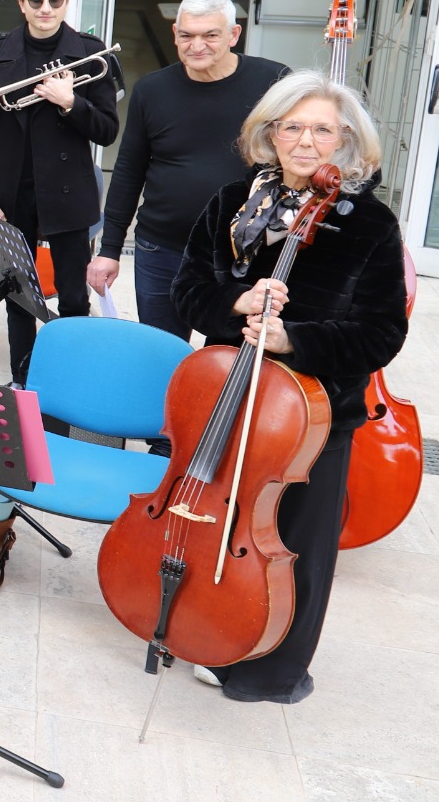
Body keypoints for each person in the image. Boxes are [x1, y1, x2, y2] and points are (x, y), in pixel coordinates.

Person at [172, 72, 406, 704]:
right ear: (269, 133)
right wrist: (236, 302)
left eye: (322, 129)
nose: (305, 141)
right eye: (292, 127)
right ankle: (200, 627)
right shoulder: (232, 203)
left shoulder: (370, 223)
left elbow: (381, 334)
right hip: (226, 397)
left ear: (345, 140)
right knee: (216, 524)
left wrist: (291, 339)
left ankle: (271, 667)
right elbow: (187, 291)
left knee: (292, 544)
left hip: (310, 417)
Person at [87, 0, 291, 340]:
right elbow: (128, 172)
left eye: (210, 35)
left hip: (241, 253)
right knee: (161, 353)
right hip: (161, 249)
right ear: (175, 34)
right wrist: (110, 250)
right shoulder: (151, 90)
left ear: (233, 35)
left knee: (227, 357)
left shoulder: (274, 83)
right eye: (187, 35)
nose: (197, 46)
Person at [0, 0, 121, 384]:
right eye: (36, 0)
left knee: (72, 297)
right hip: (10, 191)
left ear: (66, 2)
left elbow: (107, 130)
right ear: (22, 5)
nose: (45, 8)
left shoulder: (90, 52)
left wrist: (70, 102)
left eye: (54, 0)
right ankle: (23, 376)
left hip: (67, 191)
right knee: (18, 294)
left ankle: (68, 379)